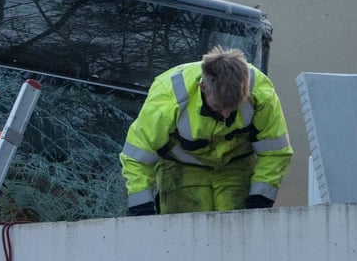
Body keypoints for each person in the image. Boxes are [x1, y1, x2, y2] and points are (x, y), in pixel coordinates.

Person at [120, 46, 293, 215]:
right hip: (181, 169)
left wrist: (260, 199)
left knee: (235, 233)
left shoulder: (261, 94)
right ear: (202, 87)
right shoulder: (168, 96)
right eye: (218, 107)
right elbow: (137, 157)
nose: (226, 114)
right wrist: (141, 207)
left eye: (233, 108)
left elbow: (275, 153)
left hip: (236, 166)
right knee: (185, 233)